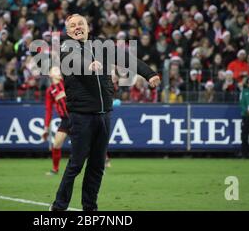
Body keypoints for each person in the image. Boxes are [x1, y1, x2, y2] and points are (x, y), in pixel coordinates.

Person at [50, 14, 160, 211]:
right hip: (81, 115)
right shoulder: (67, 48)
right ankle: (58, 208)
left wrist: (149, 73)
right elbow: (77, 64)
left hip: (103, 114)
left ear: (87, 26)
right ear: (67, 32)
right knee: (76, 164)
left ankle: (90, 208)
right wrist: (90, 66)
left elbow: (126, 58)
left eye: (80, 23)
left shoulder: (101, 44)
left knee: (97, 167)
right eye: (73, 25)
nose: (77, 27)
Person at [42, 66, 70, 175]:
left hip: (77, 117)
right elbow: (48, 110)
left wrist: (64, 93)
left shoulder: (68, 82)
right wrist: (45, 128)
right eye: (55, 70)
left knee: (87, 144)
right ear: (50, 75)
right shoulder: (50, 91)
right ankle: (55, 169)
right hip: (65, 120)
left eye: (59, 69)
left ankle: (99, 165)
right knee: (56, 144)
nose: (58, 71)